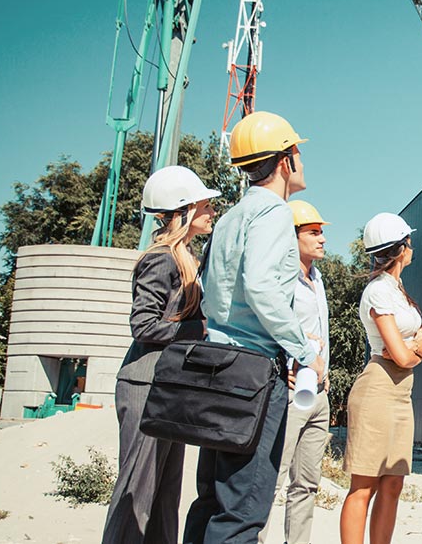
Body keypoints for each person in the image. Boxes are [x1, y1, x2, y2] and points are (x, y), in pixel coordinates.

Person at [183, 111, 326, 544]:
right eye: (297, 150)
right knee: (243, 509)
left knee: (210, 500)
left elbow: (209, 293)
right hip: (253, 377)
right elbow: (262, 287)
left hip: (218, 367)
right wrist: (305, 351)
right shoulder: (274, 214)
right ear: (285, 161)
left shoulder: (229, 218)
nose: (301, 159)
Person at [102, 165, 219, 544]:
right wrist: (199, 330)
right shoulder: (160, 259)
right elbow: (144, 325)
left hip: (168, 386)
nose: (212, 211)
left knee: (167, 494)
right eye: (205, 205)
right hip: (145, 384)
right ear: (184, 209)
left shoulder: (185, 259)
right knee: (136, 492)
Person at [339, 212, 422, 544]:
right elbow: (406, 353)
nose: (412, 246)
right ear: (402, 247)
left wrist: (413, 349)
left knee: (393, 482)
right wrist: (415, 347)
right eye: (409, 241)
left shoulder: (397, 290)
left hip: (401, 392)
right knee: (364, 485)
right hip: (378, 388)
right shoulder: (378, 291)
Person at [259, 200, 332, 544]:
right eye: (314, 232)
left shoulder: (317, 279)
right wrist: (285, 365)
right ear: (293, 237)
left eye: (322, 233)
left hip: (319, 394)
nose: (322, 239)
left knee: (306, 484)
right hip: (289, 391)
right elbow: (271, 325)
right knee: (271, 478)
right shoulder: (281, 279)